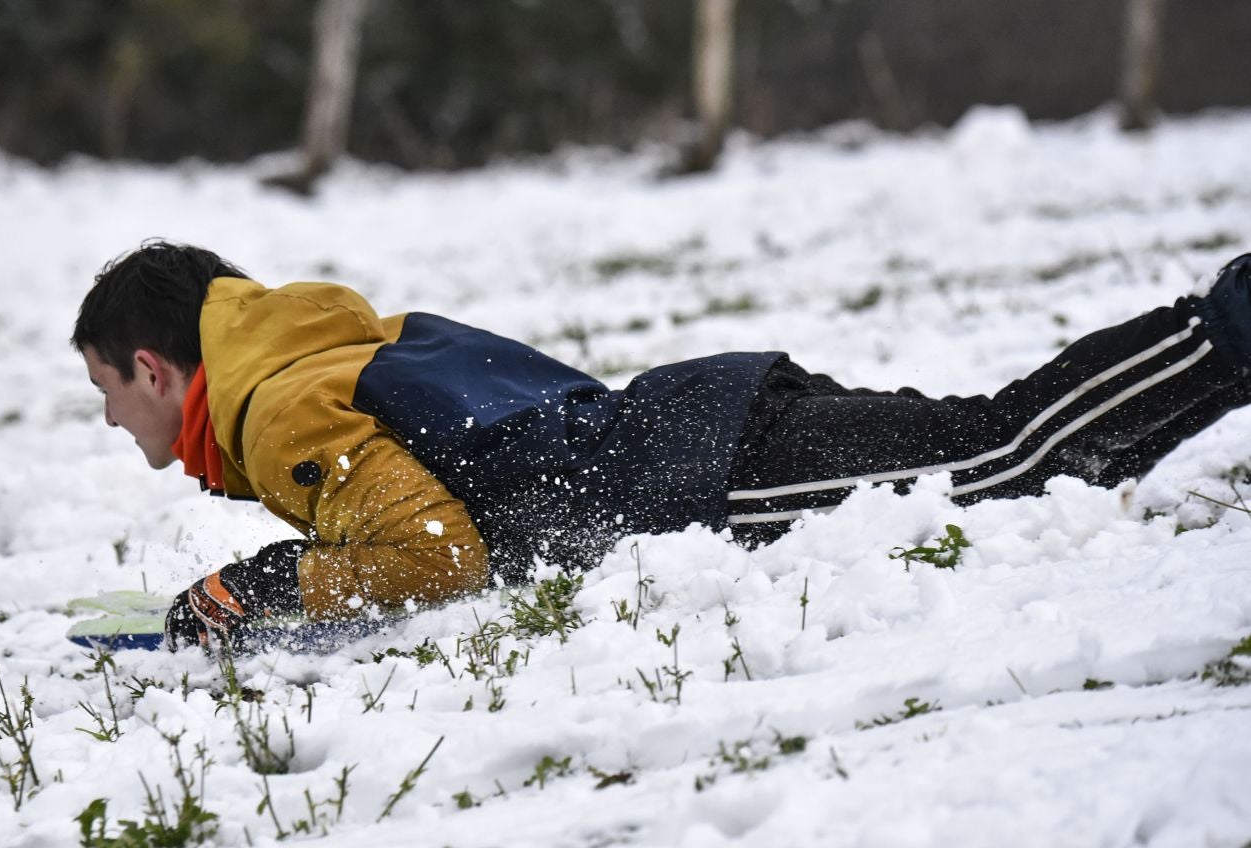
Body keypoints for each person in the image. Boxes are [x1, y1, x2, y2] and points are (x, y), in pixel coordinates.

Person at [71, 243, 1251, 651]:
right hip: (709, 424)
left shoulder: (278, 415)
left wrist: (266, 590)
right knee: (1031, 464)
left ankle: (1231, 323)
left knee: (1006, 460)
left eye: (105, 389)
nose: (111, 422)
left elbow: (434, 552)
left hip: (707, 473)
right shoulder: (317, 354)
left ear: (158, 371)